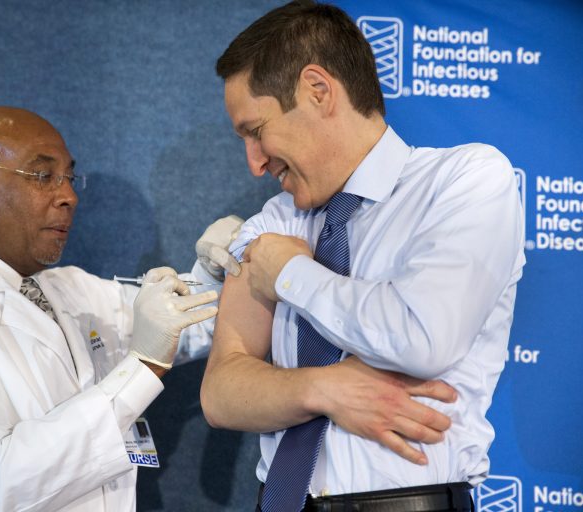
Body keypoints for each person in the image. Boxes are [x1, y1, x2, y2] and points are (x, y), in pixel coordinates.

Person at [200, 1, 526, 511]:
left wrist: (289, 274)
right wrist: (323, 390)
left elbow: (422, 339)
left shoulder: (466, 181)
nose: (255, 163)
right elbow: (221, 391)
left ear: (318, 90)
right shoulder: (278, 220)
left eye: (255, 131)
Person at [0, 106, 221, 511]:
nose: (69, 196)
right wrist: (142, 369)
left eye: (69, 177)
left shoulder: (70, 288)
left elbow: (190, 323)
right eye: (42, 176)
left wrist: (220, 270)